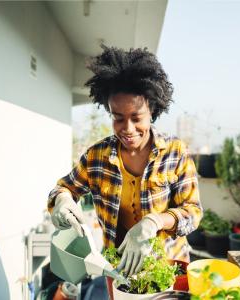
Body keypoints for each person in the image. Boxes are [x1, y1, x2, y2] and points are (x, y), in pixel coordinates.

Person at [48, 45, 202, 277]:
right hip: (120, 272)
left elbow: (193, 213)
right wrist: (62, 201)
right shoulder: (96, 157)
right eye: (118, 118)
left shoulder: (175, 152)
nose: (128, 129)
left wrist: (154, 222)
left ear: (152, 110)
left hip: (168, 268)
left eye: (136, 117)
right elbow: (64, 188)